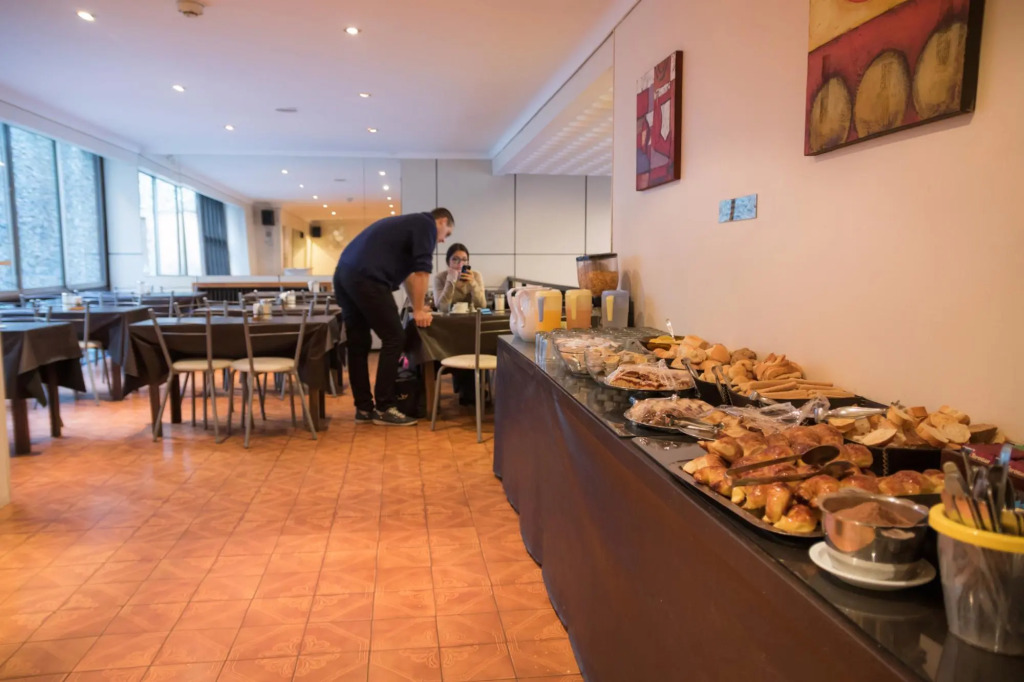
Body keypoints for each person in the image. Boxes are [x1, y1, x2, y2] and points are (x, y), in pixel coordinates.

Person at [333, 208, 454, 426]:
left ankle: (364, 408)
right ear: (442, 220)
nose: (444, 240)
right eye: (447, 233)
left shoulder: (407, 226)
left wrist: (418, 306)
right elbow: (422, 273)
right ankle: (385, 406)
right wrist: (418, 311)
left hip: (344, 274)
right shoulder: (426, 224)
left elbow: (410, 277)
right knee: (395, 337)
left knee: (358, 343)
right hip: (367, 278)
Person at [432, 243, 486, 313]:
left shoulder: (475, 275)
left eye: (464, 260)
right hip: (447, 318)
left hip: (470, 317)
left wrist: (473, 284)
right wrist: (450, 282)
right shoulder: (440, 278)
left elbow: (481, 306)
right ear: (448, 262)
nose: (460, 264)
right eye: (455, 259)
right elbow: (442, 308)